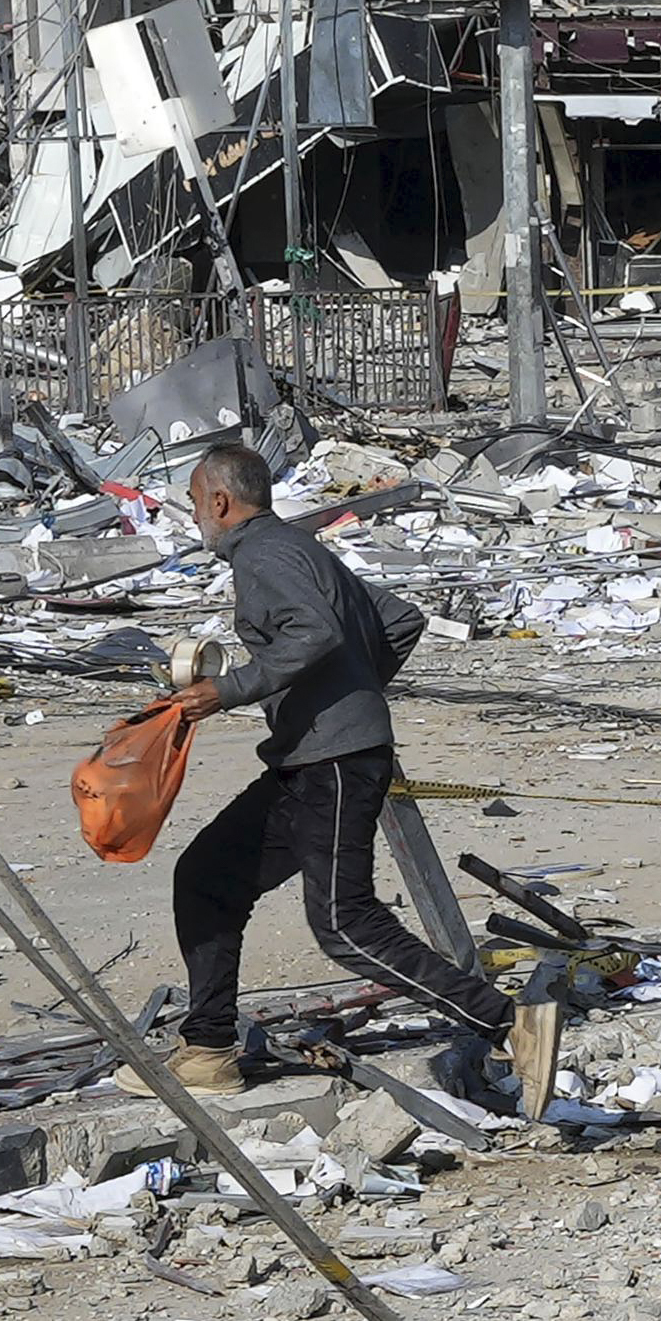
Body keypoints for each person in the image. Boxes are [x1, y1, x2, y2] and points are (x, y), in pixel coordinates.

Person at [164, 438, 512, 1100]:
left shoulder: (263, 554)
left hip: (335, 764)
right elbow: (400, 620)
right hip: (309, 760)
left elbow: (316, 633)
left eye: (194, 502)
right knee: (208, 876)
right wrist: (350, 694)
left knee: (345, 923)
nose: (194, 515)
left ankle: (506, 1021)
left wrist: (232, 689)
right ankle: (208, 1048)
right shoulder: (298, 546)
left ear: (220, 501)